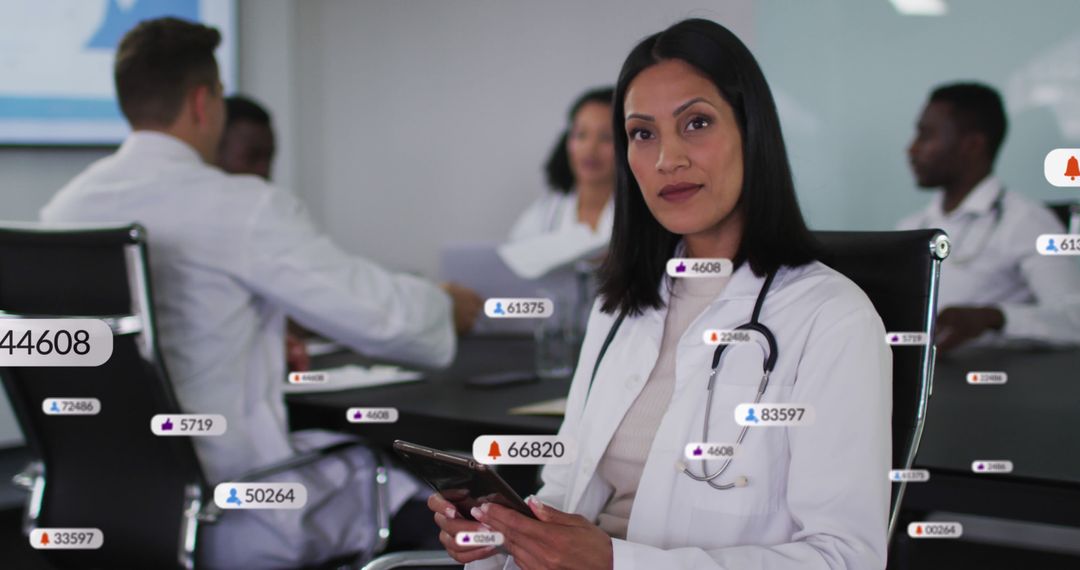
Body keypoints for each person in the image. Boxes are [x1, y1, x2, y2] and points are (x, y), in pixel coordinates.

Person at [431, 18, 891, 569]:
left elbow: (847, 558)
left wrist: (615, 562)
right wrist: (503, 539)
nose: (667, 159)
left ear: (753, 131)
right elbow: (564, 489)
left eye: (696, 123)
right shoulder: (620, 303)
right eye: (643, 134)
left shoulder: (830, 317)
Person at [40, 17, 481, 568]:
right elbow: (382, 317)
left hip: (105, 502)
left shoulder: (64, 211)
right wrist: (446, 307)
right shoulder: (239, 206)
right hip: (236, 509)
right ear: (204, 102)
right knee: (447, 503)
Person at [898, 82, 1080, 351]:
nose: (912, 149)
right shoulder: (912, 227)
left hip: (988, 385)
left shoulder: (1028, 222)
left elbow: (1073, 320)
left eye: (927, 135)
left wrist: (995, 317)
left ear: (972, 145)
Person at [216, 94, 308, 373]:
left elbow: (310, 304)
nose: (263, 172)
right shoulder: (193, 231)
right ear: (212, 154)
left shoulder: (264, 219)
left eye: (268, 159)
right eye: (251, 158)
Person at [507, 87, 616, 241]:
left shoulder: (645, 214)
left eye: (606, 137)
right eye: (581, 135)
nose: (590, 149)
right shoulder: (542, 216)